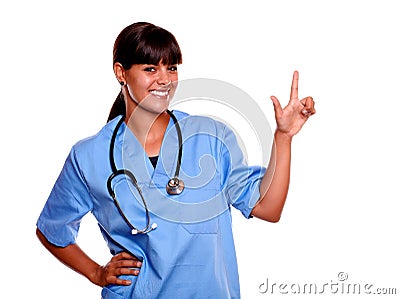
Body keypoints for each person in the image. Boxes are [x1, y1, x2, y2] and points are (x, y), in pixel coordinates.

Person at [36, 22, 315, 299]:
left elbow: (268, 208)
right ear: (121, 73)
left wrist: (284, 137)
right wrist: (95, 272)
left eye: (171, 68)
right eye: (150, 69)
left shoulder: (211, 138)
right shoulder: (89, 156)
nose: (165, 79)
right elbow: (51, 229)